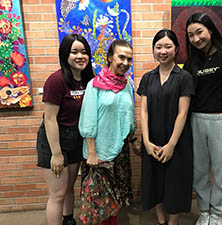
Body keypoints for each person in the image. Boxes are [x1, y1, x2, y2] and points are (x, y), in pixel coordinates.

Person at [183, 12, 222, 225]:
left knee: (219, 172)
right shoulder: (191, 63)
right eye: (191, 35)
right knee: (199, 171)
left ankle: (216, 213)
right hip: (196, 121)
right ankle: (204, 211)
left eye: (199, 32)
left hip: (221, 120)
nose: (196, 38)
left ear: (210, 30)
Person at [137, 29, 195, 225]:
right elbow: (143, 111)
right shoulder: (147, 78)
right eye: (158, 47)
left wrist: (171, 145)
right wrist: (145, 140)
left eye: (168, 46)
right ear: (153, 50)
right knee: (155, 181)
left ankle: (173, 222)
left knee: (175, 181)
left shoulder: (184, 77)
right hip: (152, 139)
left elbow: (183, 113)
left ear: (176, 49)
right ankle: (161, 220)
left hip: (177, 140)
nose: (163, 51)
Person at [78, 39, 138, 225]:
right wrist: (92, 152)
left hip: (120, 150)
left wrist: (134, 139)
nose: (125, 63)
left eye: (129, 59)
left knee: (114, 199)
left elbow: (129, 116)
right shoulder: (94, 85)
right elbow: (88, 120)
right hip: (99, 152)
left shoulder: (127, 85)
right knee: (99, 201)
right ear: (110, 57)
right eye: (121, 57)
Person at [36, 33, 94, 225]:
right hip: (55, 138)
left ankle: (68, 220)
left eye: (84, 52)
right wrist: (56, 153)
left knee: (69, 187)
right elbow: (50, 119)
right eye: (74, 52)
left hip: (76, 137)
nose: (80, 56)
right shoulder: (56, 80)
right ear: (65, 55)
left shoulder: (88, 79)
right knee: (57, 194)